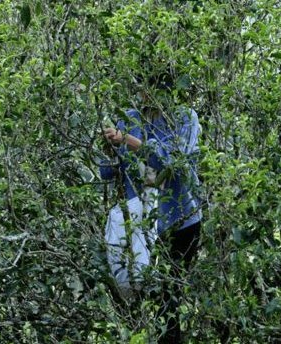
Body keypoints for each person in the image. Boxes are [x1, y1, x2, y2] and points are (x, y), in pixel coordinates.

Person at [103, 74, 202, 342]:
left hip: (179, 220)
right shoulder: (131, 118)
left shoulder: (184, 118)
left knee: (168, 296)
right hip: (140, 223)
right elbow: (107, 172)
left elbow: (175, 165)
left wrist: (132, 143)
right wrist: (108, 146)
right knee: (136, 292)